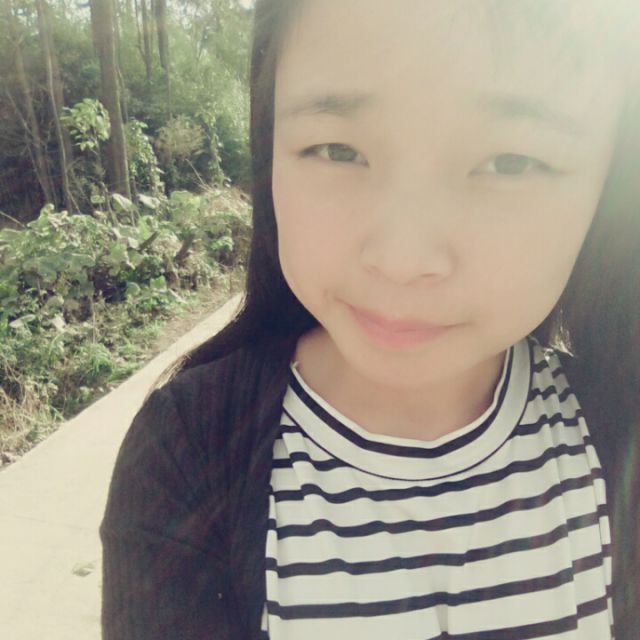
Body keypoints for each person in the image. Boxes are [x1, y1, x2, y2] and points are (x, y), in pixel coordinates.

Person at [100, 1, 640, 638]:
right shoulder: (188, 451)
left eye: (511, 162)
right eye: (337, 149)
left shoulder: (619, 438)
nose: (402, 260)